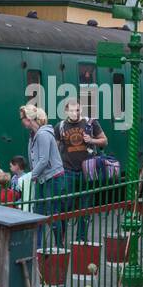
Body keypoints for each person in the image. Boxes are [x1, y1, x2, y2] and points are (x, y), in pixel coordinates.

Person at [56, 99, 107, 242]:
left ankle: (81, 240)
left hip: (88, 171)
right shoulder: (60, 126)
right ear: (66, 111)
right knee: (64, 207)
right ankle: (60, 241)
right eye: (72, 110)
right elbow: (55, 148)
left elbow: (104, 141)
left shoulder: (91, 123)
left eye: (77, 110)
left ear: (81, 110)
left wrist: (91, 140)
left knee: (85, 209)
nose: (75, 113)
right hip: (68, 171)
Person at [20, 104, 65, 246]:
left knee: (52, 212)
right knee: (37, 213)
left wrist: (31, 175)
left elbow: (44, 160)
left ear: (29, 119)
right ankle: (37, 247)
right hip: (41, 178)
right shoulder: (33, 135)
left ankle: (59, 245)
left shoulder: (43, 134)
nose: (21, 121)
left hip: (53, 177)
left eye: (22, 118)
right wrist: (34, 175)